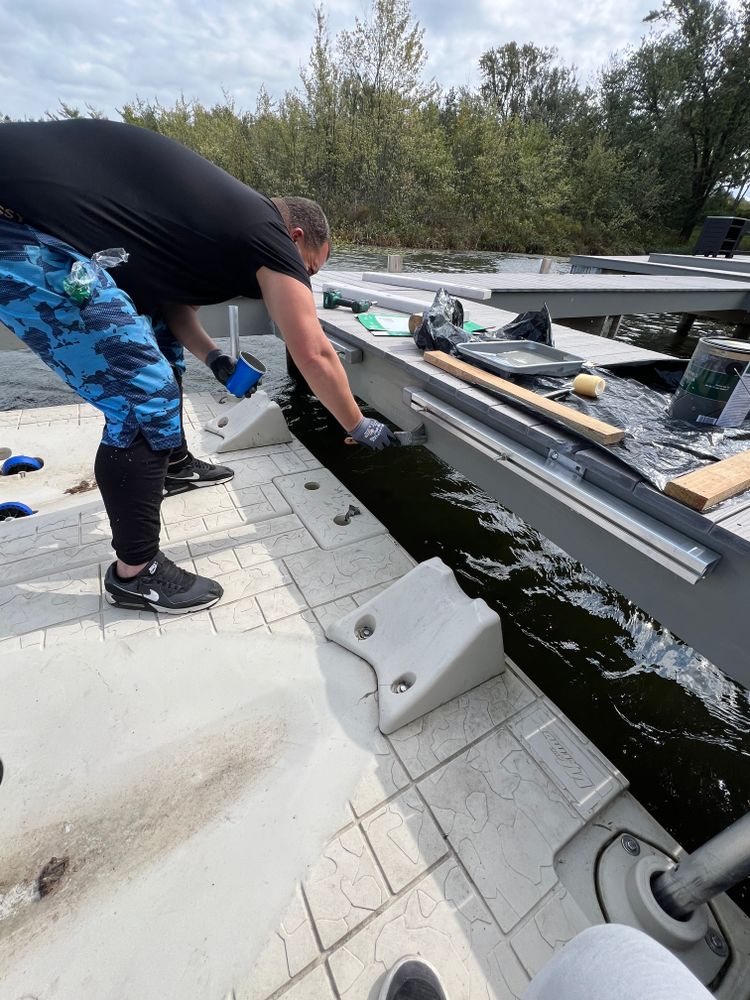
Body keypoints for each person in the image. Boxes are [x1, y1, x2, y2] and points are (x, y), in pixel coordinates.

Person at [0, 119, 398, 614]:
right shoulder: (264, 230)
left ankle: (173, 466)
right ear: (295, 237)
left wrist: (215, 358)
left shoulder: (216, 221)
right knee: (143, 396)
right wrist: (358, 424)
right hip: (13, 225)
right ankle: (135, 573)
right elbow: (313, 351)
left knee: (158, 345)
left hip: (28, 214)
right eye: (307, 270)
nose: (304, 281)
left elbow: (170, 307)